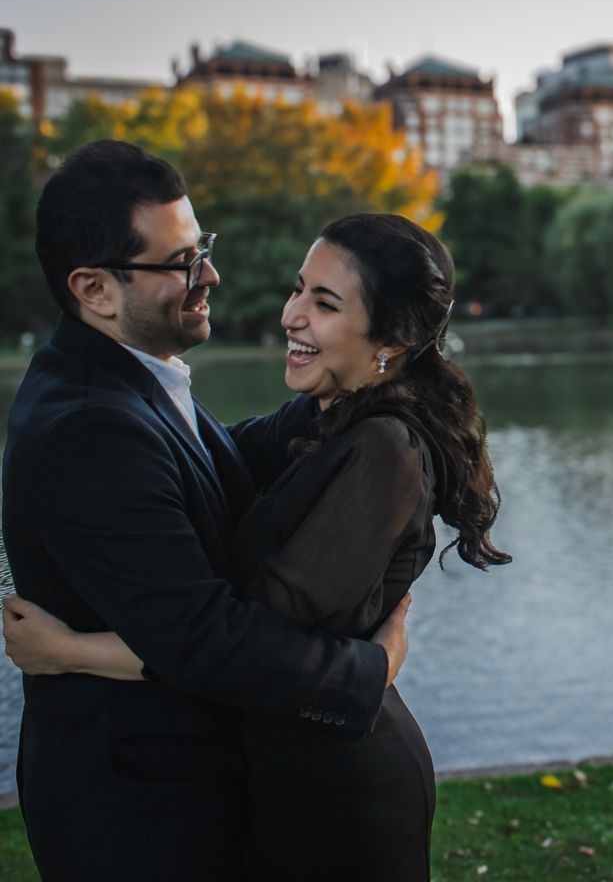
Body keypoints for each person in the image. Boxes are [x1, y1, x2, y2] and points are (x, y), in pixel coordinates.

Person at [6, 211, 513, 879]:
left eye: (324, 302)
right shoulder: (330, 414)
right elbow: (209, 470)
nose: (290, 315)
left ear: (390, 336)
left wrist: (73, 651)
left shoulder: (385, 448)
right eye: (298, 289)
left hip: (340, 788)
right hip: (283, 775)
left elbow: (247, 637)